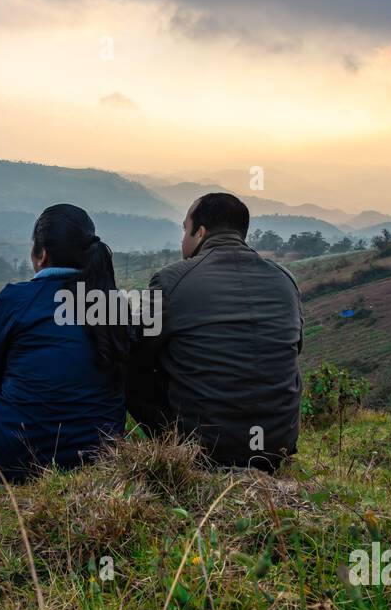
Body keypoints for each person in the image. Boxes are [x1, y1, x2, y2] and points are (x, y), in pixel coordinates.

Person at [127, 192, 303, 470]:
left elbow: (138, 354)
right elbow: (297, 348)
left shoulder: (171, 280)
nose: (183, 239)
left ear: (200, 232)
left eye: (185, 229)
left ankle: (169, 447)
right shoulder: (284, 279)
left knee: (127, 363)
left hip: (206, 450)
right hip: (276, 447)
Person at [0, 204, 129, 482]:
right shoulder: (114, 306)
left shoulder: (18, 298)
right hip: (99, 461)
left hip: (13, 467)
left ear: (41, 254)